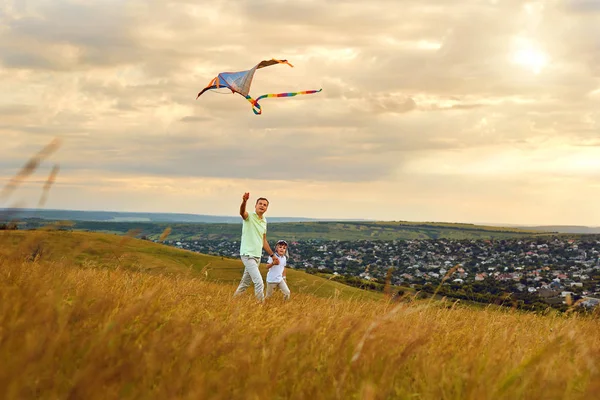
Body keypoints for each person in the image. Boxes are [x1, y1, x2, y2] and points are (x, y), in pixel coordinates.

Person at [233, 192, 277, 301]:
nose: (262, 206)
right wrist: (244, 201)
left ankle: (232, 302)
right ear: (255, 206)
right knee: (259, 282)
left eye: (264, 205)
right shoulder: (249, 217)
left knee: (245, 284)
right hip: (248, 254)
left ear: (266, 208)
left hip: (257, 256)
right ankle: (260, 307)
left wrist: (272, 255)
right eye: (260, 204)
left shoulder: (264, 221)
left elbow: (263, 240)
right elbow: (242, 212)